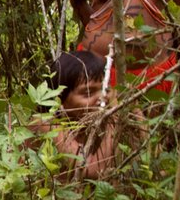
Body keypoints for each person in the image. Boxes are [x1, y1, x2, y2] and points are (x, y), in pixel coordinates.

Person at [33, 50, 132, 179]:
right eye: (88, 93)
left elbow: (148, 154)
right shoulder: (45, 123)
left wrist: (133, 108)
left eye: (105, 90)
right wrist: (115, 116)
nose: (102, 98)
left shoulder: (95, 125)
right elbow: (89, 170)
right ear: (59, 99)